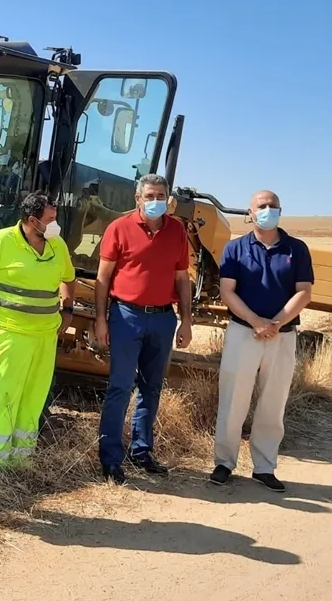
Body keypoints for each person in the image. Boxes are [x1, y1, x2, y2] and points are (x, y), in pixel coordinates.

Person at [210, 190, 313, 492]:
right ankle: (224, 463)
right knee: (233, 399)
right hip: (243, 332)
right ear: (250, 213)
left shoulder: (296, 248)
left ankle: (265, 467)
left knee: (273, 401)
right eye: (262, 206)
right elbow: (228, 291)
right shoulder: (235, 249)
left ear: (280, 211)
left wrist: (276, 323)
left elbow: (304, 291)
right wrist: (256, 322)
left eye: (273, 206)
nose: (268, 210)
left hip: (282, 336)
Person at [94, 173, 193, 485]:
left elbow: (182, 279)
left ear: (168, 199)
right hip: (126, 316)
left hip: (163, 319)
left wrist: (186, 319)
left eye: (160, 196)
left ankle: (142, 451)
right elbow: (103, 278)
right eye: (149, 196)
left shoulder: (176, 230)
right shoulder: (119, 228)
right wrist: (100, 319)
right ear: (137, 199)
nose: (155, 201)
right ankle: (111, 460)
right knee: (120, 387)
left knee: (151, 388)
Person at [0, 191, 76, 473]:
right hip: (9, 334)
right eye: (51, 219)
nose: (56, 224)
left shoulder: (58, 245)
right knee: (4, 398)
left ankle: (20, 462)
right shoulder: (0, 242)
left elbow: (68, 278)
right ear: (33, 220)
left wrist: (67, 309)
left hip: (45, 337)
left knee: (33, 399)